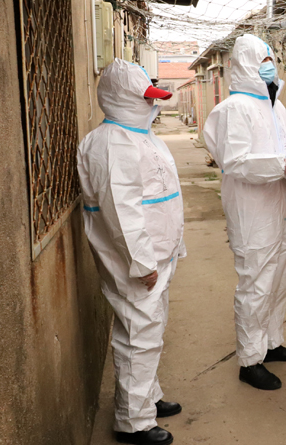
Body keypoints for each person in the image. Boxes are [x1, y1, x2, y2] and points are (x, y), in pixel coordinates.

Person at [203, 34, 286, 391]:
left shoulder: (276, 107)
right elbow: (236, 162)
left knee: (277, 280)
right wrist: (283, 166)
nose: (268, 66)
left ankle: (272, 343)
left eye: (270, 59)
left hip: (279, 208)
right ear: (244, 64)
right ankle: (250, 360)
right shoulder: (233, 109)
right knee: (256, 285)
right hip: (252, 213)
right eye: (261, 60)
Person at [78, 59, 185, 445]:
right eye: (145, 98)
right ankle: (134, 422)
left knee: (150, 330)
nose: (152, 105)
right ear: (122, 98)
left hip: (156, 256)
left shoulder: (140, 136)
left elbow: (163, 196)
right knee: (139, 337)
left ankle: (147, 398)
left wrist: (173, 246)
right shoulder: (112, 143)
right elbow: (121, 212)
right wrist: (142, 263)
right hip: (136, 262)